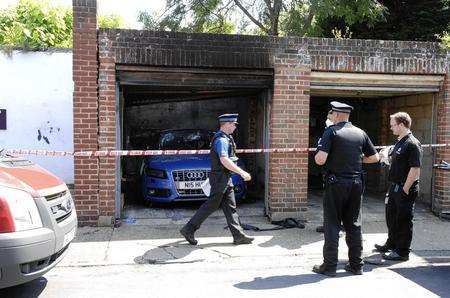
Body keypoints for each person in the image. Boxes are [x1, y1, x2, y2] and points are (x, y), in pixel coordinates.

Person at [312, 101, 380, 277]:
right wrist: (357, 160)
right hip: (356, 183)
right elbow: (375, 157)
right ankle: (356, 265)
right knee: (354, 224)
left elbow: (320, 160)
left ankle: (329, 266)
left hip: (336, 183)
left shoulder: (331, 132)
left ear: (336, 115)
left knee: (332, 224)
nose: (330, 117)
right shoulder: (360, 133)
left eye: (331, 114)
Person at [180, 113, 254, 245]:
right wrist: (242, 172)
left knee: (230, 207)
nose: (235, 127)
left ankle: (239, 236)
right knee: (211, 205)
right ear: (226, 124)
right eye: (233, 124)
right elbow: (224, 159)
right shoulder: (221, 140)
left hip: (225, 178)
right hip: (220, 178)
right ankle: (189, 229)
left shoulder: (226, 138)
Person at [375, 112, 422, 261]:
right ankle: (392, 243)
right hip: (395, 186)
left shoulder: (412, 143)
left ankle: (402, 252)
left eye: (393, 125)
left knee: (403, 220)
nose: (391, 128)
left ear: (401, 125)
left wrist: (405, 188)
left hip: (404, 187)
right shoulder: (400, 142)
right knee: (392, 217)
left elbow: (415, 169)